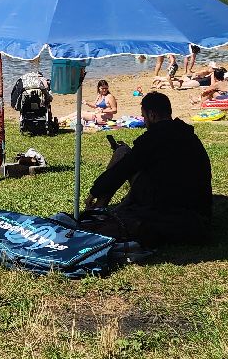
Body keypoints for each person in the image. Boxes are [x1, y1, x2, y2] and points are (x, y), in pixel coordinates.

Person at [81, 91, 212, 246]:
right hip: (199, 209)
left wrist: (95, 191)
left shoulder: (153, 138)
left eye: (144, 116)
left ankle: (98, 210)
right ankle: (107, 209)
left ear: (152, 115)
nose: (144, 121)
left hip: (168, 206)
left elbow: (122, 169)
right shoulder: (188, 134)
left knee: (122, 153)